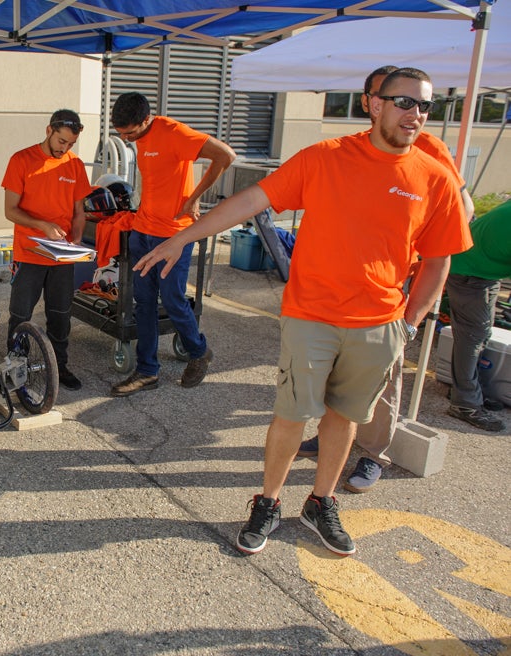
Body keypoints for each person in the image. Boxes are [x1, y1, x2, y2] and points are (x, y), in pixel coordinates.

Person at [133, 68, 471, 556]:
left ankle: (321, 501)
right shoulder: (326, 158)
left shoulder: (434, 177)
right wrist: (183, 236)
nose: (416, 114)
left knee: (344, 418)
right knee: (291, 415)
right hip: (311, 314)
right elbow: (253, 199)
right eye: (404, 102)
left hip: (379, 324)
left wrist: (409, 325)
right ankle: (268, 502)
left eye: (426, 106)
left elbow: (440, 260)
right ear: (373, 104)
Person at [297, 65, 476, 493]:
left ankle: (374, 452)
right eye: (389, 98)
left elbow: (461, 211)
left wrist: (410, 253)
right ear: (369, 102)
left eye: (416, 103)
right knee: (339, 375)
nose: (406, 110)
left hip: (395, 289)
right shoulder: (347, 150)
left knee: (384, 377)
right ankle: (333, 438)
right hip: (341, 293)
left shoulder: (427, 146)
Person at [108, 92, 236, 397]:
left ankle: (198, 351)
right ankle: (147, 371)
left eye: (129, 133)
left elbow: (225, 156)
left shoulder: (175, 132)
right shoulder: (138, 137)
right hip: (143, 231)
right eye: (121, 134)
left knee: (173, 299)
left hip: (174, 234)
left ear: (145, 120)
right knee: (144, 303)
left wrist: (195, 198)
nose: (126, 139)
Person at [2, 109, 92, 391]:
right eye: (61, 141)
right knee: (20, 314)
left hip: (61, 256)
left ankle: (59, 366)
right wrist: (42, 225)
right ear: (48, 130)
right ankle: (15, 370)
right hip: (29, 253)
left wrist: (76, 239)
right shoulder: (21, 160)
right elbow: (10, 211)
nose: (65, 148)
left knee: (60, 314)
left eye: (71, 144)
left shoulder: (75, 164)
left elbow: (80, 212)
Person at [444, 200, 511, 432]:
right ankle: (465, 404)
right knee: (472, 338)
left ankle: (469, 390)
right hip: (469, 271)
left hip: (484, 270)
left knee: (480, 335)